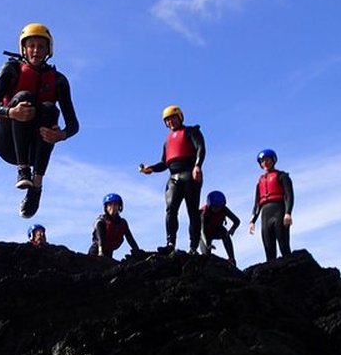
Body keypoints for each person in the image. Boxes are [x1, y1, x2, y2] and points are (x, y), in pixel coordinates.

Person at [0, 22, 80, 219]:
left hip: (36, 148)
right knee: (24, 97)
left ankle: (36, 186)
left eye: (41, 46)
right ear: (23, 48)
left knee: (50, 109)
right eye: (31, 45)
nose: (36, 50)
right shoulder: (11, 69)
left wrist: (61, 135)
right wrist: (11, 112)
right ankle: (23, 170)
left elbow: (73, 124)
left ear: (48, 50)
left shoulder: (59, 80)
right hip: (7, 142)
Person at [140, 105, 206, 253]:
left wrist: (197, 166)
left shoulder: (191, 132)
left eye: (173, 118)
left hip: (189, 174)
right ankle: (170, 243)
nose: (170, 122)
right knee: (171, 209)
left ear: (180, 117)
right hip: (173, 177)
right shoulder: (167, 141)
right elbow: (164, 163)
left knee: (192, 211)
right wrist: (151, 168)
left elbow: (200, 148)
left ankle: (193, 246)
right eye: (167, 120)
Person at [249, 149, 294, 261]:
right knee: (269, 249)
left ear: (273, 160)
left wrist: (288, 213)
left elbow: (289, 195)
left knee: (284, 246)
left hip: (279, 211)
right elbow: (257, 203)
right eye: (262, 161)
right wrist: (252, 221)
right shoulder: (260, 182)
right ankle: (272, 270)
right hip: (265, 215)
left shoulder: (282, 176)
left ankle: (291, 268)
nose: (265, 163)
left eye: (267, 160)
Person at [88, 193, 140, 258]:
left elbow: (130, 238)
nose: (112, 207)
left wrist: (137, 250)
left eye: (115, 205)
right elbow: (100, 238)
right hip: (96, 251)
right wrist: (100, 252)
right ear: (106, 207)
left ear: (119, 207)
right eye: (110, 205)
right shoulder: (101, 222)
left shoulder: (122, 223)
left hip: (109, 252)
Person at [199, 190, 240, 266]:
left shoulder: (224, 209)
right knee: (206, 256)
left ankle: (231, 259)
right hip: (205, 234)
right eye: (215, 207)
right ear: (210, 205)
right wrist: (207, 244)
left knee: (225, 233)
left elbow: (237, 221)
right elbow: (202, 231)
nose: (218, 209)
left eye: (219, 207)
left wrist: (232, 229)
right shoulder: (205, 214)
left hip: (217, 230)